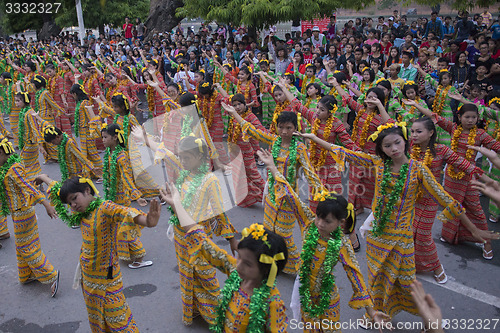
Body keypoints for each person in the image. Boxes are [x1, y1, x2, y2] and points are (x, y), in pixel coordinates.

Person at [300, 122, 499, 321]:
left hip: (402, 240)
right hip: (376, 238)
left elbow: (445, 199)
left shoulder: (418, 170)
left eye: (397, 143)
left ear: (405, 142)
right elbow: (344, 151)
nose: (393, 149)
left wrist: (474, 229)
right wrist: (315, 138)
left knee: (407, 282)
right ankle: (377, 317)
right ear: (381, 149)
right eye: (387, 146)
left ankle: (430, 319)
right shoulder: (378, 163)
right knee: (377, 280)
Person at [38, 175, 161, 332]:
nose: (73, 205)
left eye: (75, 198)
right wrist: (43, 177)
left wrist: (148, 221)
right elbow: (57, 189)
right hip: (87, 276)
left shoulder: (104, 208)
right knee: (96, 316)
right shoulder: (81, 212)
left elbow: (125, 212)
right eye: (69, 203)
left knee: (119, 320)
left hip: (108, 278)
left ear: (87, 190)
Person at [161, 180, 288, 331]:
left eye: (247, 264)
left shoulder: (272, 303)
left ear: (267, 269)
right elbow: (204, 242)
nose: (238, 264)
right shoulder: (236, 273)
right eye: (239, 257)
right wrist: (177, 205)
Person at [224, 106, 323, 274]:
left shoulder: (299, 148)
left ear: (295, 129)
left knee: (284, 235)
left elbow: (310, 173)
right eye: (281, 127)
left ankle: (299, 270)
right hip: (271, 196)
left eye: (289, 128)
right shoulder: (274, 141)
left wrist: (322, 195)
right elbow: (253, 130)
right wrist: (234, 113)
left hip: (288, 198)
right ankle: (273, 263)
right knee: (270, 232)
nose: (284, 131)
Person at [408, 116, 493, 282]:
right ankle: (415, 265)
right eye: (412, 131)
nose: (414, 135)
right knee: (410, 233)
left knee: (424, 236)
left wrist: (489, 181)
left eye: (419, 131)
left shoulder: (440, 150)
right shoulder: (410, 148)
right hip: (411, 198)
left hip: (431, 199)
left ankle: (438, 268)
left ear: (431, 132)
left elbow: (463, 164)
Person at [417, 102, 500, 259]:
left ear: (478, 118)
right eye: (467, 117)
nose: (470, 120)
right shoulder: (453, 128)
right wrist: (415, 104)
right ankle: (452, 236)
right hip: (451, 176)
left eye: (474, 117)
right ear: (459, 117)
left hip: (470, 176)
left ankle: (486, 241)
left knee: (475, 208)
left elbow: (496, 146)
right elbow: (433, 116)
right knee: (453, 206)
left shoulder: (481, 134)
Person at [0, 138, 60, 297]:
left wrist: (46, 204)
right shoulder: (8, 166)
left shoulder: (14, 169)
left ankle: (52, 275)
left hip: (22, 212)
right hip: (17, 212)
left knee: (26, 247)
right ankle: (27, 274)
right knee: (24, 245)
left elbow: (28, 188)